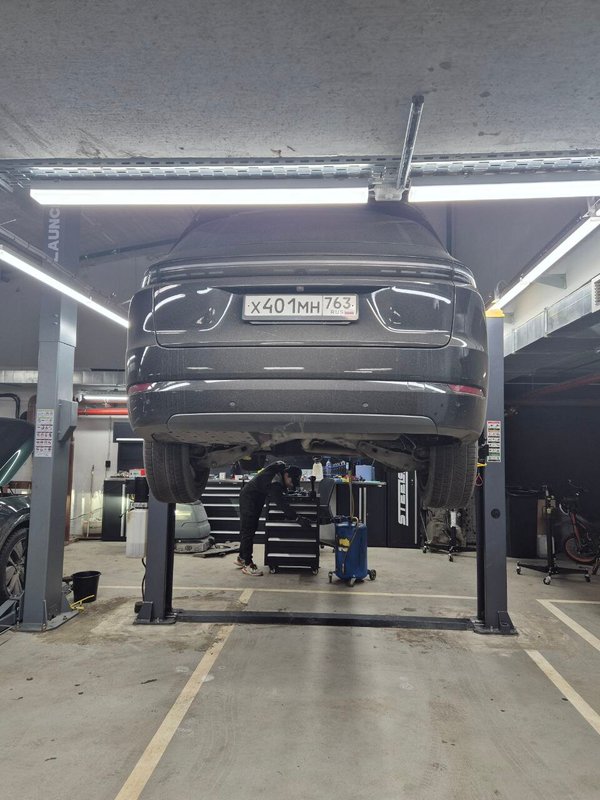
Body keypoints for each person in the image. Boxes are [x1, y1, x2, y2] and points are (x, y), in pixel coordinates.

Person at [235, 461, 312, 576]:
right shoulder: (275, 482)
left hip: (255, 498)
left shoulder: (280, 471)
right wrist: (297, 518)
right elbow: (281, 503)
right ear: (286, 475)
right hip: (249, 499)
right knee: (248, 530)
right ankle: (247, 564)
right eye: (291, 482)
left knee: (251, 528)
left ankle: (242, 557)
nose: (291, 485)